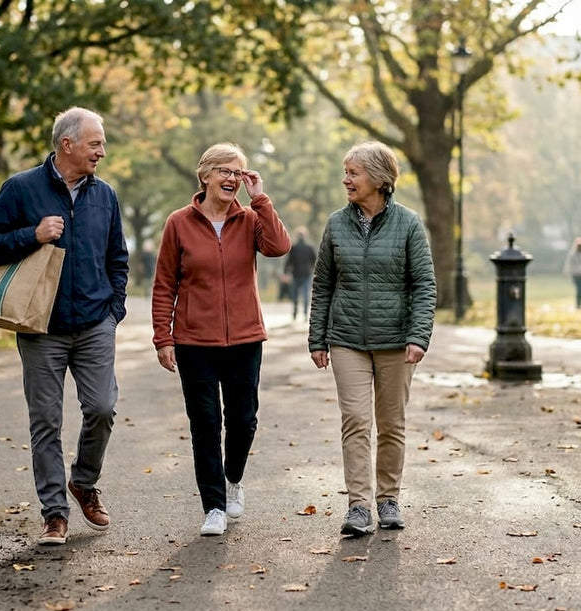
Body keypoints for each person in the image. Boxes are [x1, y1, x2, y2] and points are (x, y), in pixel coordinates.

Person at [0, 107, 129, 547]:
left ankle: (83, 482)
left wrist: (114, 308)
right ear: (68, 145)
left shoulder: (106, 195)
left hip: (95, 322)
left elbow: (117, 258)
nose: (102, 151)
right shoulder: (21, 188)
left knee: (102, 408)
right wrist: (32, 234)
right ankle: (54, 514)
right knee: (45, 421)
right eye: (95, 143)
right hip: (41, 326)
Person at [151, 142, 291, 537]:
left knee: (243, 420)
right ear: (205, 175)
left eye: (238, 172)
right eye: (225, 171)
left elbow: (279, 246)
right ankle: (213, 506)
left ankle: (233, 479)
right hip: (194, 341)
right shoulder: (178, 222)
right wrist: (163, 336)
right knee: (205, 423)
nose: (232, 179)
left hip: (245, 338)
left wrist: (260, 197)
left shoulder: (249, 219)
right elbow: (164, 284)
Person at [308, 141, 436, 537]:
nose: (346, 179)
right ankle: (359, 506)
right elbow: (323, 283)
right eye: (345, 172)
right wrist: (318, 338)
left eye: (353, 173)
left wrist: (418, 335)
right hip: (346, 338)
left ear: (379, 180)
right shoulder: (336, 223)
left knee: (391, 423)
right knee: (356, 421)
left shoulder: (409, 223)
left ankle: (388, 499)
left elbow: (424, 284)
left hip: (397, 340)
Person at [284, 227, 317, 320]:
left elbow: (288, 262)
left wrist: (286, 272)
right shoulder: (309, 247)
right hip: (306, 274)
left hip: (296, 274)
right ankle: (305, 315)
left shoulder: (293, 247)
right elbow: (315, 261)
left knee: (295, 296)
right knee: (305, 296)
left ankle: (295, 314)